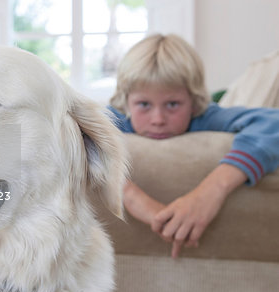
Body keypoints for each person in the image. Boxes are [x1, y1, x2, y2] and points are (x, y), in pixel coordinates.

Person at [108, 33, 279, 258]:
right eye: (144, 104)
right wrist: (130, 195)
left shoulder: (207, 117)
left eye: (172, 104)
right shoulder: (115, 120)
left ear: (193, 101)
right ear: (126, 102)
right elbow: (70, 132)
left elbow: (273, 123)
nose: (158, 118)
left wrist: (209, 192)